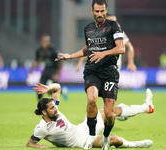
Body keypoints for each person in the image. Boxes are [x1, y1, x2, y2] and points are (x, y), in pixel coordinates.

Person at [55, 0, 126, 149]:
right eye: (97, 11)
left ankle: (106, 136)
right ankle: (91, 135)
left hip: (109, 72)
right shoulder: (88, 29)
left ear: (106, 10)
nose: (100, 14)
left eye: (102, 11)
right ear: (92, 11)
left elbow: (121, 48)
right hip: (92, 70)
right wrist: (70, 56)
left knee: (109, 114)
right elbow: (88, 49)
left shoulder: (114, 26)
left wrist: (104, 53)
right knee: (91, 99)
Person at [26, 82, 154, 148]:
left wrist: (48, 88)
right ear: (44, 112)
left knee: (109, 112)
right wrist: (37, 145)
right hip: (81, 142)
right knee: (113, 139)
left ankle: (147, 107)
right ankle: (135, 144)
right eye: (52, 108)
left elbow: (57, 87)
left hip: (83, 128)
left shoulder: (54, 111)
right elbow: (30, 143)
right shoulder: (41, 128)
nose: (55, 109)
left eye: (55, 107)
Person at [28, 33, 62, 100]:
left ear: (49, 42)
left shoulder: (53, 50)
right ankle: (39, 105)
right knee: (40, 87)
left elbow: (60, 63)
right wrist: (31, 71)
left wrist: (57, 74)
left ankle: (57, 100)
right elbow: (36, 61)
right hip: (46, 69)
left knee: (51, 91)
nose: (44, 43)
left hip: (54, 70)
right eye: (43, 41)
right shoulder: (39, 51)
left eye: (46, 41)